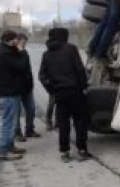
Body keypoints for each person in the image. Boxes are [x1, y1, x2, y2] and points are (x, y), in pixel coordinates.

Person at [39, 27, 92, 162]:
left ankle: (65, 152)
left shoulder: (46, 54)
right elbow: (79, 69)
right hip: (75, 92)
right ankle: (82, 150)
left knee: (63, 123)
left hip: (59, 94)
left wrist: (52, 90)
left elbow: (42, 76)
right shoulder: (71, 49)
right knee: (80, 122)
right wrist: (84, 86)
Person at [0, 30, 30, 162]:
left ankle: (10, 146)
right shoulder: (5, 54)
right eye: (16, 39)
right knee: (8, 123)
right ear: (11, 40)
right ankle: (3, 152)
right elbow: (22, 65)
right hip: (7, 94)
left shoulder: (3, 51)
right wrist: (22, 51)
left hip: (6, 92)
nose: (18, 42)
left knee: (10, 122)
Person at [14, 34, 40, 141]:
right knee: (16, 112)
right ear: (17, 41)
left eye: (25, 42)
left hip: (27, 87)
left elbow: (27, 69)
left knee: (31, 109)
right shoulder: (12, 53)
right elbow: (19, 67)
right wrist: (21, 52)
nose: (24, 44)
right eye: (23, 42)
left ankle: (29, 130)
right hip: (15, 88)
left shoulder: (24, 52)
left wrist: (31, 83)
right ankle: (17, 133)